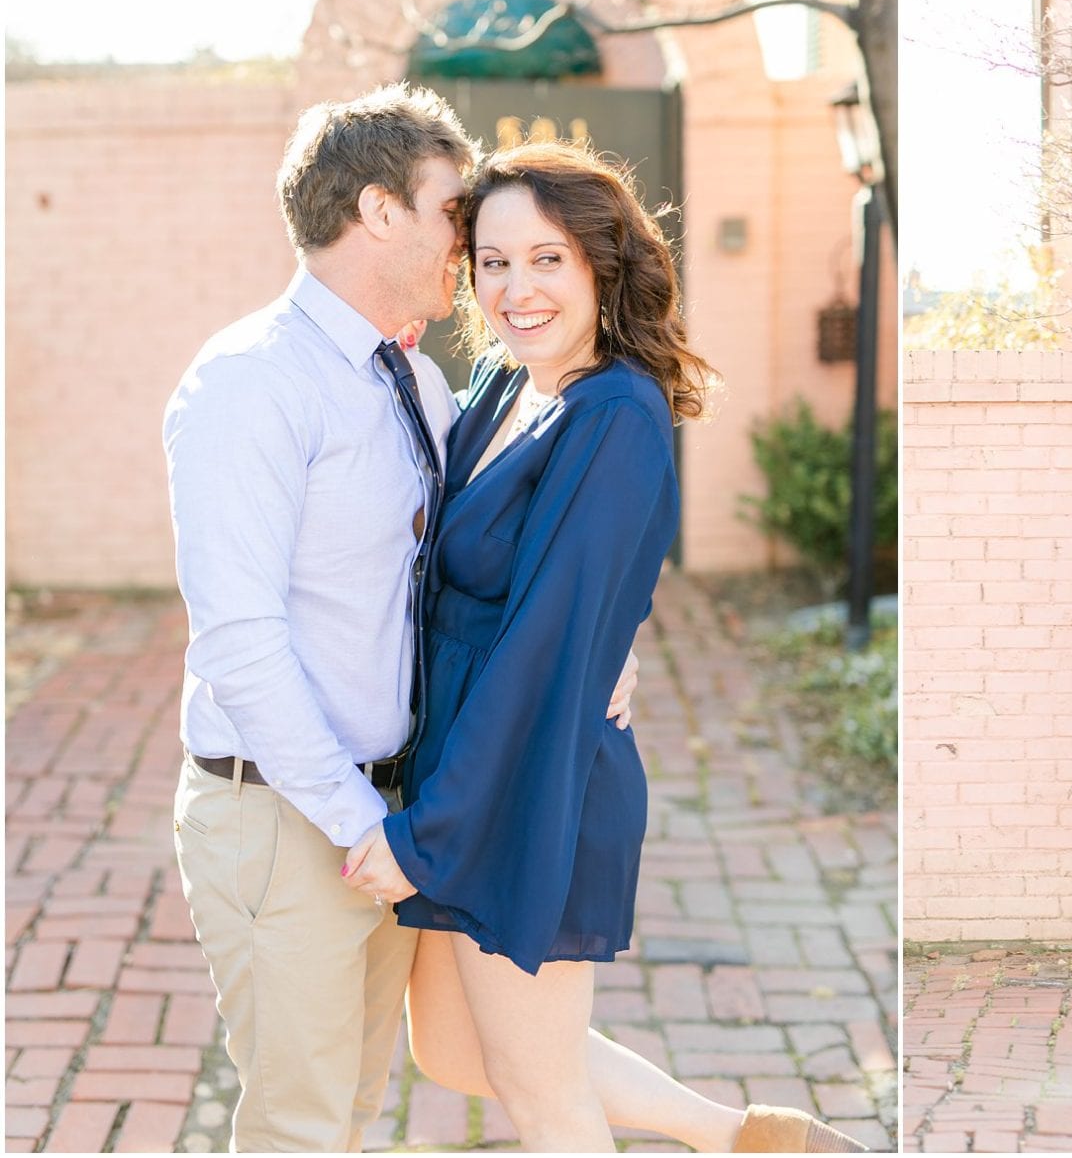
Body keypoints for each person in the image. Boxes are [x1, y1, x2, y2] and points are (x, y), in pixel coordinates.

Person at [339, 140, 866, 1154]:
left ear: (599, 262)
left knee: (541, 1097)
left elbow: (546, 640)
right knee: (453, 1047)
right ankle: (749, 1137)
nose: (516, 287)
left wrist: (425, 833)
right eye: (493, 261)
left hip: (527, 781)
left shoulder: (615, 412)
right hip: (465, 763)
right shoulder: (504, 382)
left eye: (547, 259)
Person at [163, 83, 476, 1150]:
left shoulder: (420, 383)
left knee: (351, 1108)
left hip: (382, 816)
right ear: (380, 209)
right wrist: (360, 827)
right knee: (300, 1127)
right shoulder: (251, 383)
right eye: (452, 209)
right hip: (287, 822)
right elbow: (239, 642)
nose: (466, 241)